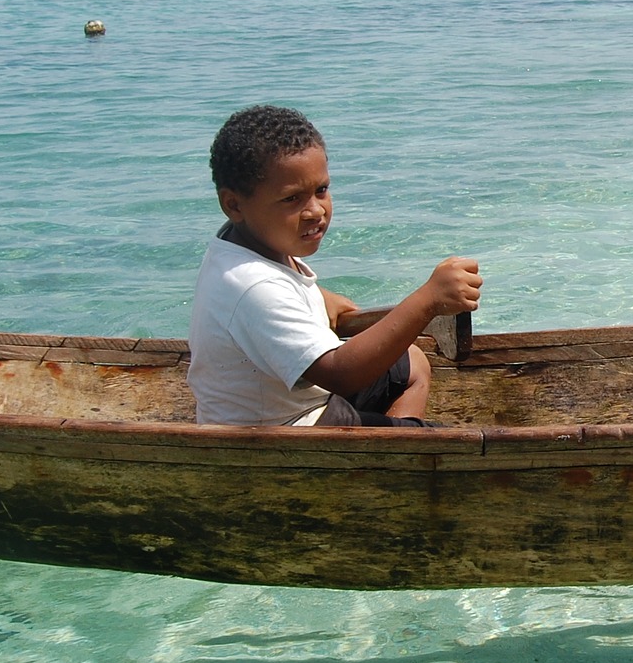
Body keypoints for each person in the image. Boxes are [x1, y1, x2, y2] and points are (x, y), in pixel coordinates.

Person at [188, 104, 482, 427]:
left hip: (283, 402)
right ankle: (394, 461)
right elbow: (342, 375)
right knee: (441, 443)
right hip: (283, 432)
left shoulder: (244, 243)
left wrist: (314, 296)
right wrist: (428, 299)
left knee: (413, 363)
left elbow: (269, 289)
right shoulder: (253, 288)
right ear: (233, 204)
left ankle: (389, 457)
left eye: (321, 190)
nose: (315, 210)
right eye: (292, 199)